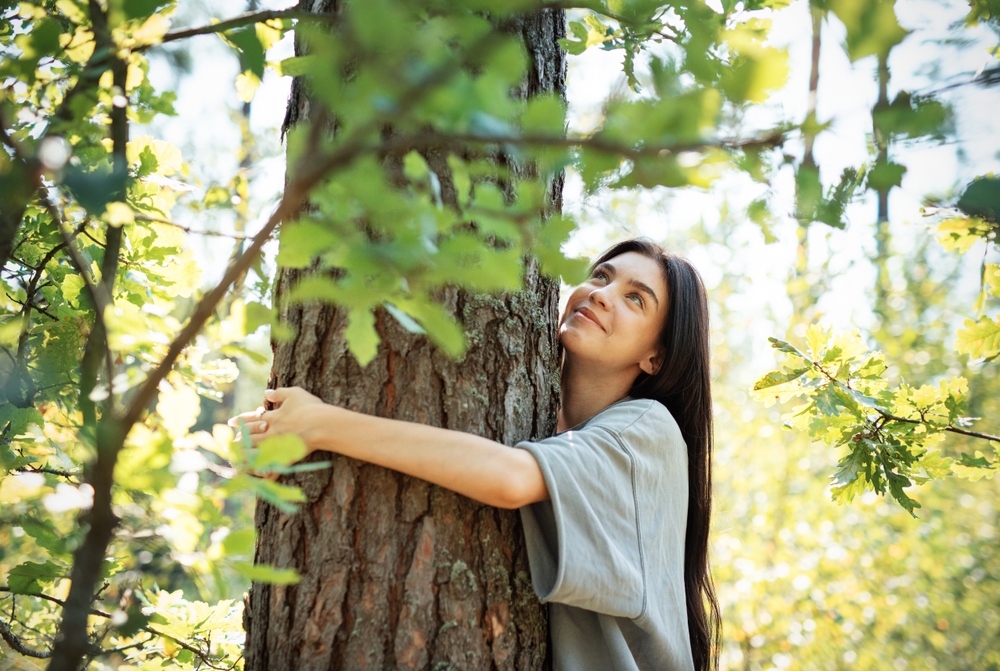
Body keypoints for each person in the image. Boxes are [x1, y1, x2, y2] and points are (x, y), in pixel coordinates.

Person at [229, 238, 720, 671]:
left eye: (635, 299)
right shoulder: (552, 426)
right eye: (601, 276)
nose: (601, 294)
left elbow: (509, 479)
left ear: (655, 356)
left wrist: (322, 425)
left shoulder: (648, 429)